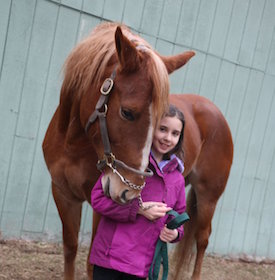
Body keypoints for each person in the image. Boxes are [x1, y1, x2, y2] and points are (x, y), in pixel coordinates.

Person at [90, 104, 186, 280]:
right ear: (150, 128)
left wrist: (175, 233)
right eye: (162, 129)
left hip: (141, 267)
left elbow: (178, 215)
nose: (167, 138)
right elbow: (97, 199)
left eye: (175, 133)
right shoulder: (126, 164)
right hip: (109, 260)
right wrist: (137, 210)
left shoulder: (177, 179)